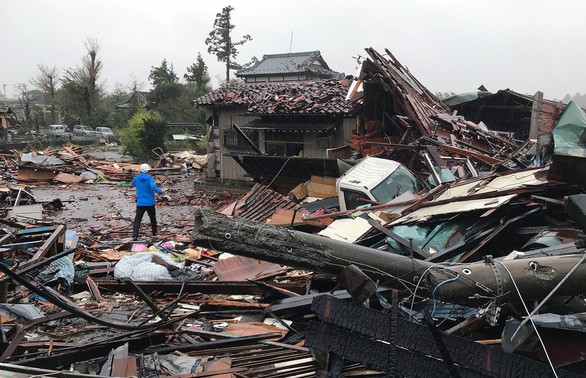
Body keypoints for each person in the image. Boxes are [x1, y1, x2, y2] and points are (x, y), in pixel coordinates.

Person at [131, 163, 163, 240]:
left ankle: (135, 235)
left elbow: (132, 184)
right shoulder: (150, 178)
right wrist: (160, 191)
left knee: (137, 219)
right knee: (152, 218)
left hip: (140, 203)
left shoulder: (136, 179)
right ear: (147, 171)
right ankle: (154, 232)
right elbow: (153, 187)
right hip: (150, 202)